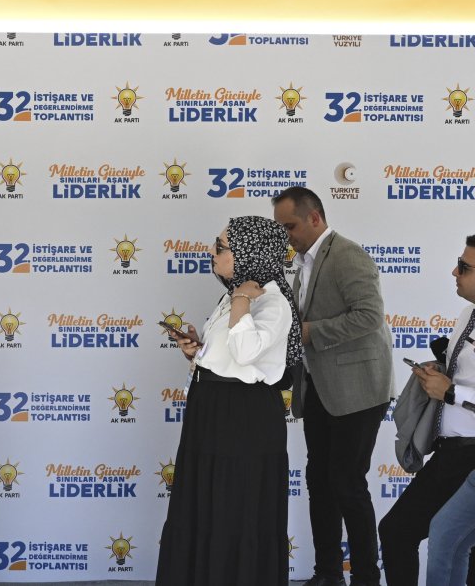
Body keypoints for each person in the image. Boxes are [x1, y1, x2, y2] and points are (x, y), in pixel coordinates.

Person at [156, 216, 301, 586]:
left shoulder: (272, 302)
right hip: (212, 410)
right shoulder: (235, 295)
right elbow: (228, 357)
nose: (213, 251)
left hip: (244, 417)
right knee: (205, 504)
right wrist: (197, 352)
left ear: (249, 253)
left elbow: (246, 352)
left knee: (233, 507)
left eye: (221, 247)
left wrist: (240, 301)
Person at [272, 186, 393, 586]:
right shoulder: (302, 261)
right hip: (320, 389)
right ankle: (327, 574)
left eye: (290, 226)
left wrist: (309, 332)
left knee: (347, 485)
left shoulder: (347, 254)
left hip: (358, 390)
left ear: (315, 218)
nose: (286, 235)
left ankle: (365, 578)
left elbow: (369, 316)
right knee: (320, 483)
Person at [379, 234, 475, 585]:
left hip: (469, 453)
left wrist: (452, 393)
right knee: (409, 534)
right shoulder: (467, 314)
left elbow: (457, 391)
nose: (454, 272)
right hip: (453, 452)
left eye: (464, 267)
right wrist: (440, 372)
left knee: (443, 540)